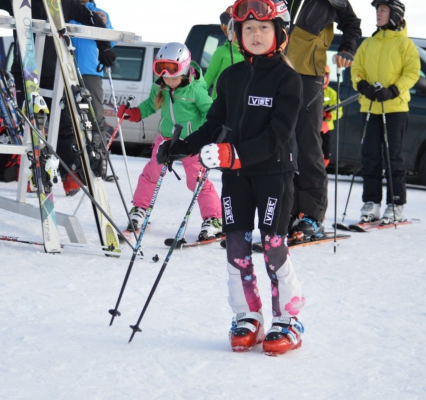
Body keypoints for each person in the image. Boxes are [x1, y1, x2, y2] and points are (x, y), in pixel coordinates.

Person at [158, 0, 305, 356]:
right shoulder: (231, 77)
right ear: (237, 35)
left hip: (273, 173)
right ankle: (247, 316)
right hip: (236, 177)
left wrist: (235, 154)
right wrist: (182, 147)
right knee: (236, 245)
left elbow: (278, 135)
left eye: (264, 28)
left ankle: (288, 319)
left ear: (280, 34)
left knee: (272, 246)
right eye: (248, 29)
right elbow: (214, 125)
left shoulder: (289, 80)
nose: (255, 34)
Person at [0, 0, 116, 196]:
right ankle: (31, 174)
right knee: (29, 125)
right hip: (25, 70)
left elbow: (92, 19)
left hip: (54, 72)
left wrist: (104, 47)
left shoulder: (64, 3)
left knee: (64, 124)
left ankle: (70, 175)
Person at [116, 43, 222, 240]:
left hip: (191, 142)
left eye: (172, 75)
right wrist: (135, 113)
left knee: (197, 179)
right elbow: (150, 105)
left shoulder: (196, 90)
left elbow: (210, 112)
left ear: (183, 69)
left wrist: (211, 133)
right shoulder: (161, 87)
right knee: (150, 174)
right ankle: (140, 209)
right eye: (163, 74)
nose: (168, 79)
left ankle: (213, 219)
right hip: (166, 138)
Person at [285, 0, 361, 240]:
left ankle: (312, 216)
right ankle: (287, 209)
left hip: (308, 73)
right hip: (276, 69)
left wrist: (347, 48)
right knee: (279, 144)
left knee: (307, 146)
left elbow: (351, 23)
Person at [351, 0, 419, 224]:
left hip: (395, 108)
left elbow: (412, 72)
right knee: (369, 156)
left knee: (393, 156)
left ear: (394, 14)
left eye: (382, 10)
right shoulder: (369, 43)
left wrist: (393, 90)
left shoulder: (405, 44)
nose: (378, 14)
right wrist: (362, 86)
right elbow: (357, 68)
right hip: (369, 106)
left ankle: (395, 203)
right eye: (377, 10)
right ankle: (371, 203)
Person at [67, 0, 115, 194]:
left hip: (90, 71)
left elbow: (111, 43)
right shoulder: (65, 9)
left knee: (95, 117)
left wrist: (105, 27)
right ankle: (73, 163)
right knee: (67, 118)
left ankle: (99, 159)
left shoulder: (100, 13)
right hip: (65, 68)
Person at [203, 6, 244, 100]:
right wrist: (197, 97)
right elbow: (209, 76)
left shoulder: (251, 54)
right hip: (219, 102)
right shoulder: (221, 52)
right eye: (232, 27)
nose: (236, 32)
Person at [320, 64, 342, 168]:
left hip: (326, 129)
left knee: (326, 152)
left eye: (325, 76)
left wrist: (329, 115)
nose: (323, 78)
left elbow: (339, 110)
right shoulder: (310, 90)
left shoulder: (332, 93)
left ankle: (322, 168)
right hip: (311, 128)